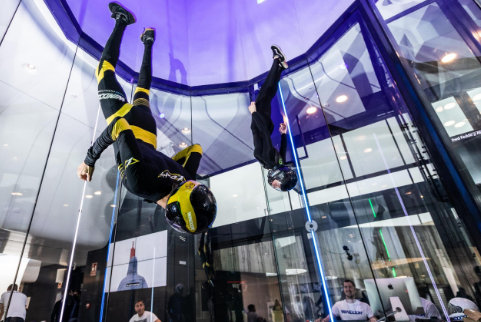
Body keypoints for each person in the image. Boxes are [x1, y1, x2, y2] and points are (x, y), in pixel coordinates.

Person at [76, 2, 217, 234]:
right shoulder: (139, 184)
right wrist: (89, 160)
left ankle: (148, 41)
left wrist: (168, 162)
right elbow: (119, 126)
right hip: (127, 121)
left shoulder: (187, 178)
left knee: (143, 90)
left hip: (147, 129)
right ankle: (122, 20)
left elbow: (196, 149)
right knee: (104, 70)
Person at [248, 46, 297, 191]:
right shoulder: (269, 162)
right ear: (279, 176)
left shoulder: (276, 163)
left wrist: (283, 134)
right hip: (260, 122)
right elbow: (263, 135)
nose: (273, 185)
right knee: (266, 91)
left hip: (264, 124)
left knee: (268, 93)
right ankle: (277, 61)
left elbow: (282, 149)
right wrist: (254, 113)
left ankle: (280, 67)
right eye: (277, 184)